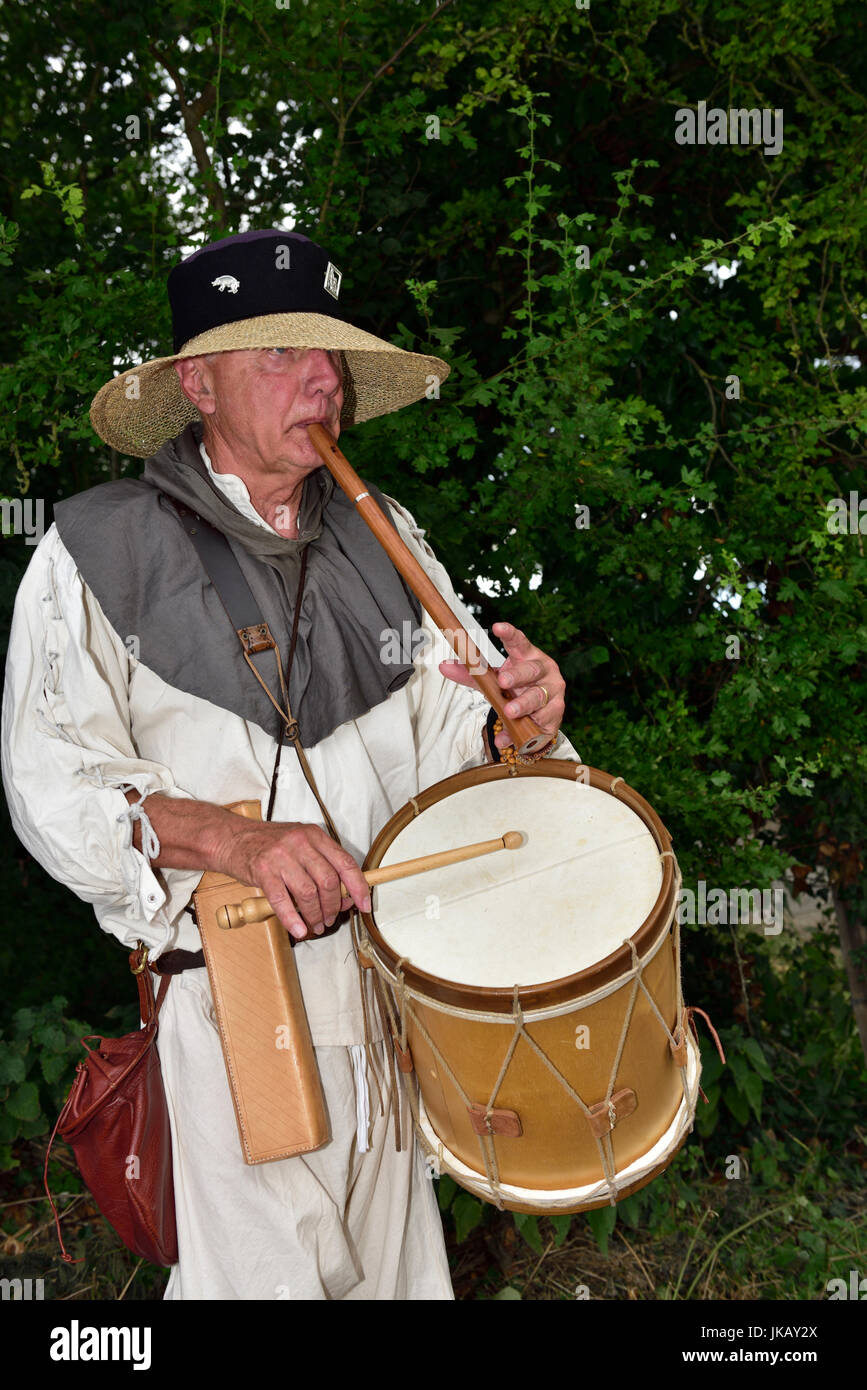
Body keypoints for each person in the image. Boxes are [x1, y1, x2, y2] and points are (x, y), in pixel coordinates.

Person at [1, 229, 578, 1300]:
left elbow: (466, 759)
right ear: (197, 382)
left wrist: (522, 728)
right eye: (280, 355)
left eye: (330, 357)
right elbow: (50, 786)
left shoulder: (388, 534)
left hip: (398, 1012)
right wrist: (234, 839)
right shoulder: (94, 551)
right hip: (234, 1017)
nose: (323, 380)